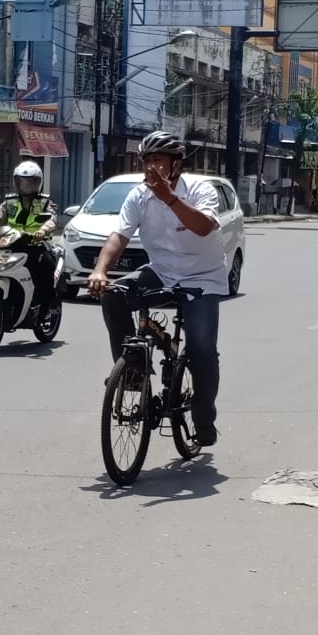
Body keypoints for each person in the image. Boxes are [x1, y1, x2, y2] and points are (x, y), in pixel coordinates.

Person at [86, 130, 227, 447]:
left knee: (202, 350)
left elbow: (204, 226)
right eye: (147, 160)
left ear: (176, 164)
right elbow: (119, 236)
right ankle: (132, 371)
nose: (151, 167)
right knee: (114, 295)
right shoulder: (138, 195)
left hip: (201, 279)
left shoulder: (200, 190)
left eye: (158, 160)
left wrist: (170, 199)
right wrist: (100, 270)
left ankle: (204, 420)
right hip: (162, 272)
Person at [0, 160, 59, 311]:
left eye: (30, 182)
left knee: (45, 266)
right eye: (22, 182)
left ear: (37, 183)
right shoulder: (9, 203)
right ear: (16, 182)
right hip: (10, 243)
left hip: (35, 245)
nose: (26, 186)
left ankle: (47, 305)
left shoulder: (44, 203)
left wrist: (42, 231)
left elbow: (52, 220)